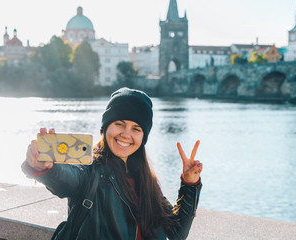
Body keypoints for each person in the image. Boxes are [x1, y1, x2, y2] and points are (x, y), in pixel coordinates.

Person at [22, 87, 203, 240]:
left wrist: (190, 184)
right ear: (106, 127)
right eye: (119, 123)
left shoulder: (146, 180)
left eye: (136, 129)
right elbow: (66, 178)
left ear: (143, 136)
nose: (126, 134)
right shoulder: (91, 169)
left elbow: (177, 232)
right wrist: (43, 167)